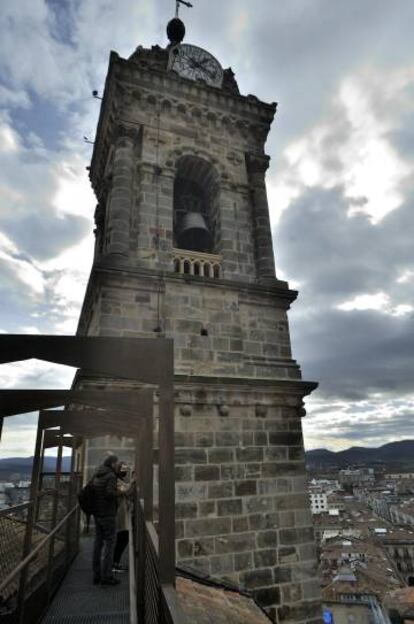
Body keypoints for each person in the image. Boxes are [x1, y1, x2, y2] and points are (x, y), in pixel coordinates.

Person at [91, 454, 121, 586]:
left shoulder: (98, 474)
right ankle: (106, 577)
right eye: (117, 463)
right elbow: (109, 493)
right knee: (110, 545)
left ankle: (97, 574)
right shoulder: (111, 476)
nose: (118, 466)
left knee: (98, 544)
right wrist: (120, 493)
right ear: (113, 463)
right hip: (108, 515)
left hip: (97, 514)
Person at [112, 461, 131, 572]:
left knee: (122, 538)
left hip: (121, 514)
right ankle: (115, 563)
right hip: (119, 514)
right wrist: (134, 482)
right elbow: (126, 490)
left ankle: (115, 562)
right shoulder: (116, 481)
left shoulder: (119, 480)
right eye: (123, 470)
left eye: (126, 471)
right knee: (122, 538)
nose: (125, 473)